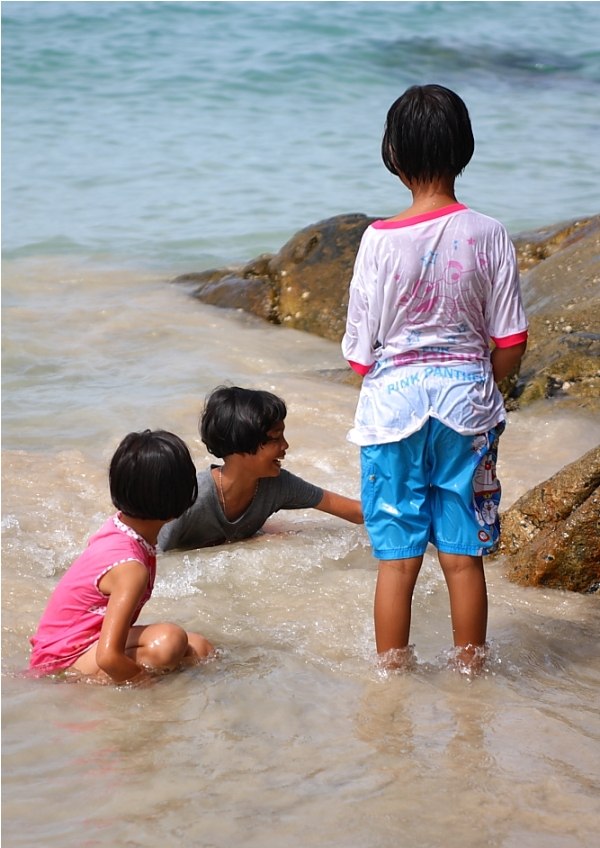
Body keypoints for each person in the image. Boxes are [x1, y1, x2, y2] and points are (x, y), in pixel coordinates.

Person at [341, 84, 528, 670]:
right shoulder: (490, 232)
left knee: (396, 561)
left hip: (393, 408)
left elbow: (359, 353)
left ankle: (392, 676)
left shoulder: (377, 240)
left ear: (393, 155)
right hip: (466, 404)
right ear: (465, 149)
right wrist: (487, 387)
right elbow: (512, 339)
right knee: (462, 554)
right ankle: (471, 670)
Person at [29, 430, 215, 683]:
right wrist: (147, 688)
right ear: (182, 496)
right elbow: (108, 657)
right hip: (60, 665)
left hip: (74, 648)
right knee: (168, 641)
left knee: (201, 649)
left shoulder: (121, 528)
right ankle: (84, 686)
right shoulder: (130, 568)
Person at [158, 385, 363, 551]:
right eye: (275, 438)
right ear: (241, 445)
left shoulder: (279, 485)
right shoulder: (191, 499)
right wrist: (249, 544)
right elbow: (156, 556)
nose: (285, 446)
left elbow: (355, 512)